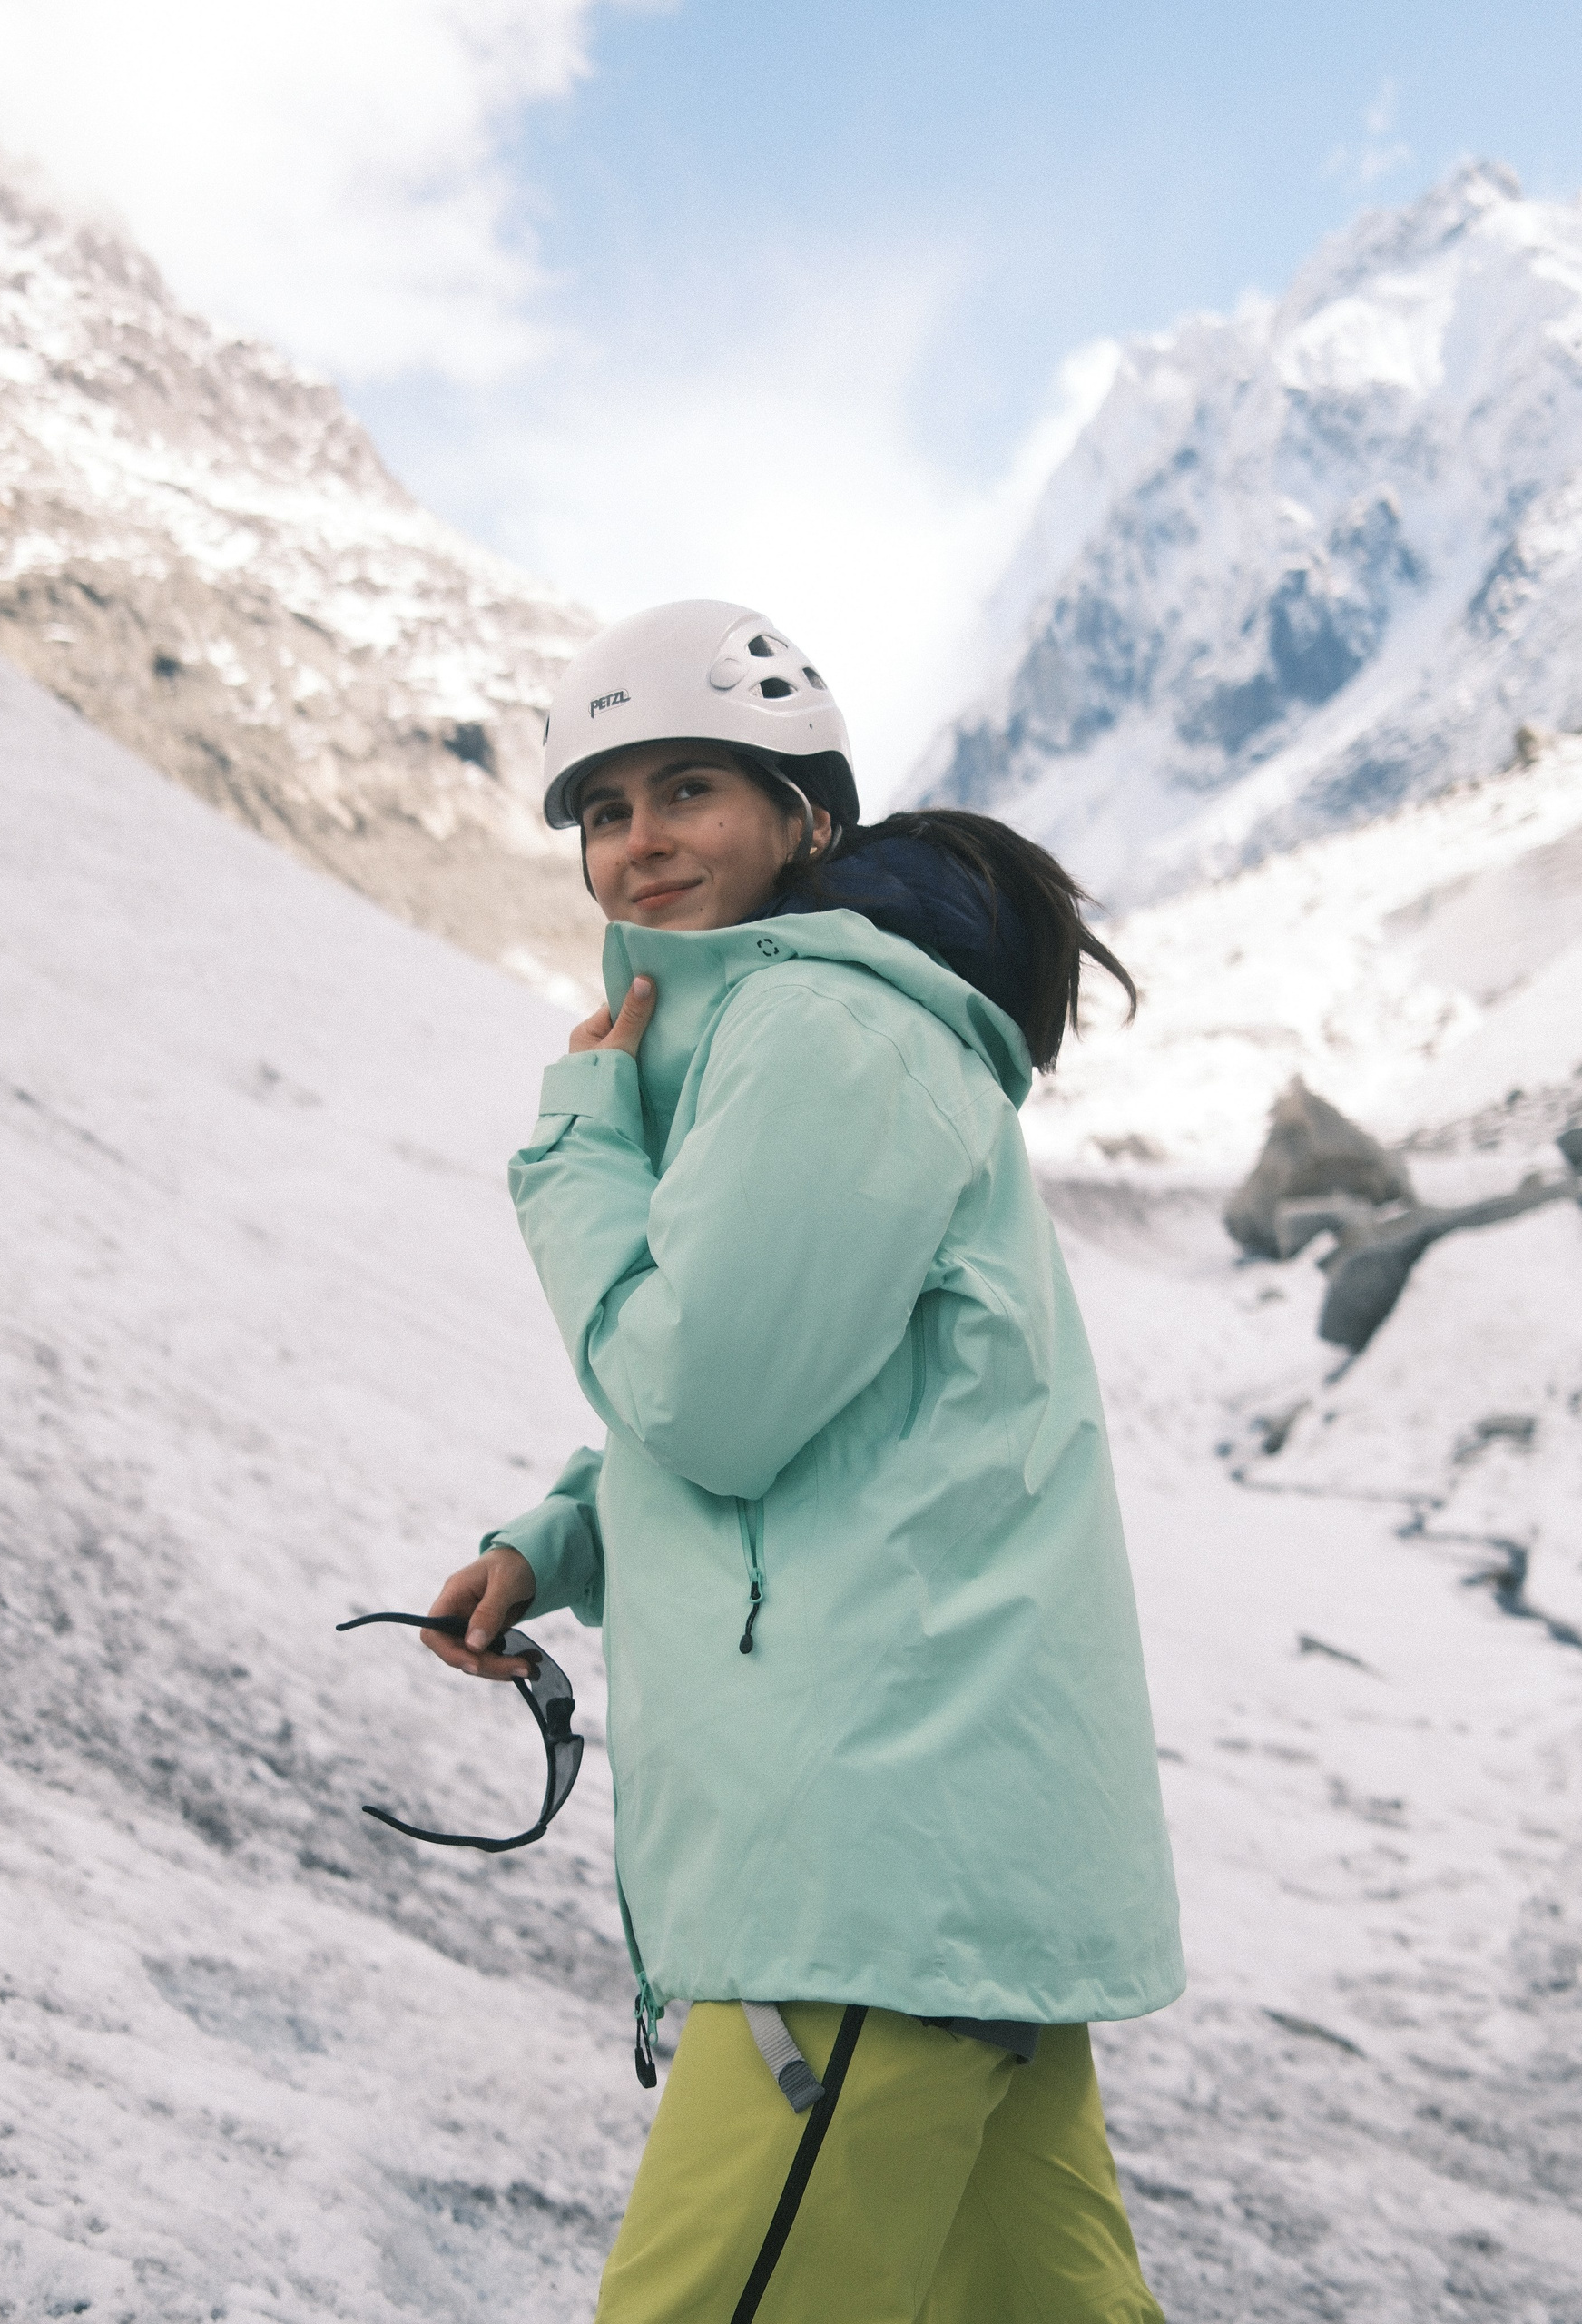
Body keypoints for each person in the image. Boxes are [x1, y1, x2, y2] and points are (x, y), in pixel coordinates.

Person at [422, 601, 1183, 2322]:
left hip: (865, 1860)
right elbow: (811, 1398)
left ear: (805, 816)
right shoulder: (805, 1032)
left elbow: (709, 1398)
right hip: (934, 1858)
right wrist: (564, 1537)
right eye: (604, 809)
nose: (640, 841)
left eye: (689, 788)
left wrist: (575, 1142)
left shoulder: (823, 1030)